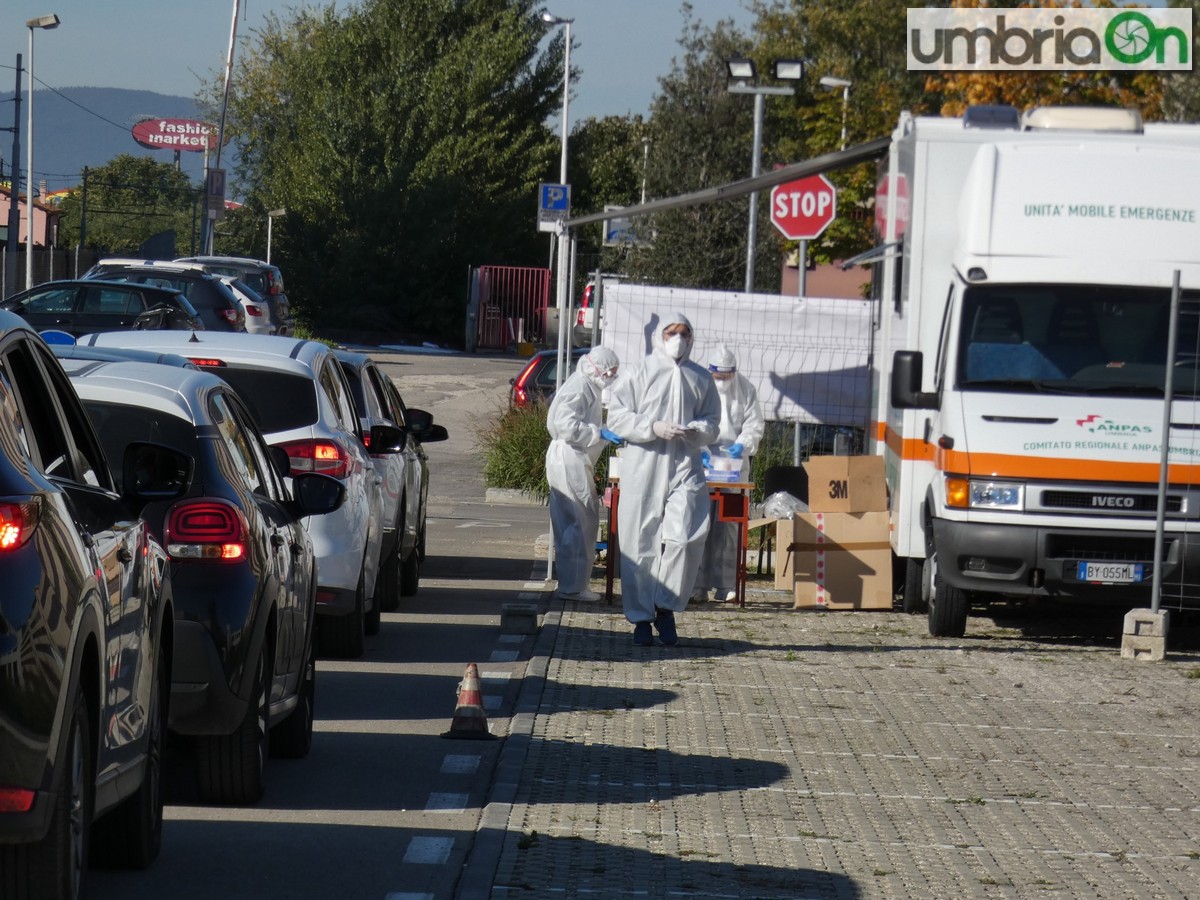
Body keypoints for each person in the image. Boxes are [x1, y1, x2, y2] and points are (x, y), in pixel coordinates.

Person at [607, 312, 720, 646]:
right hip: (645, 463)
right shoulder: (639, 372)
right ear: (660, 335)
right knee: (639, 541)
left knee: (687, 535)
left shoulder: (701, 378)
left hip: (686, 463)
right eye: (672, 332)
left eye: (685, 333)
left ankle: (664, 605)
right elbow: (617, 414)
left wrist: (697, 430)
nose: (678, 338)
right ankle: (641, 618)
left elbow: (713, 420)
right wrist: (651, 427)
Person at [545, 345, 623, 602]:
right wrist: (597, 433)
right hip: (569, 457)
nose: (612, 376)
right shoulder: (581, 386)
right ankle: (574, 588)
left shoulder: (586, 386)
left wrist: (597, 432)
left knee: (574, 523)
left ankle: (572, 584)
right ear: (598, 369)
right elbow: (565, 425)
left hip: (570, 457)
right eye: (610, 371)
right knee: (581, 522)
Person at [696, 345, 765, 603]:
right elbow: (693, 422)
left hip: (734, 466)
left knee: (729, 526)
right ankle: (696, 584)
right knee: (699, 523)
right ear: (710, 371)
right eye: (719, 376)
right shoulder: (700, 387)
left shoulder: (745, 389)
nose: (723, 381)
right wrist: (700, 448)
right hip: (704, 463)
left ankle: (726, 584)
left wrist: (743, 445)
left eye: (727, 376)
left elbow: (754, 424)